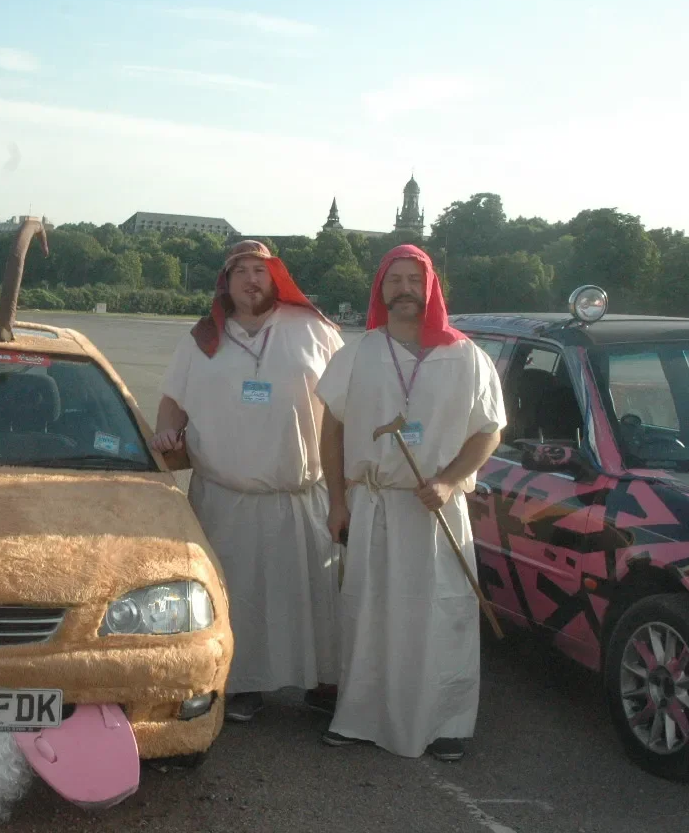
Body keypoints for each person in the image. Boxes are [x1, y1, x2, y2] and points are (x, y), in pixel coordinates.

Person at [315, 244, 505, 761]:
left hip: (436, 509)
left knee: (441, 615)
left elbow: (489, 431)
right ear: (381, 289)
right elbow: (331, 430)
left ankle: (446, 723)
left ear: (430, 287)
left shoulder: (466, 356)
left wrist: (448, 481)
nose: (403, 288)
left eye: (412, 279)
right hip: (374, 504)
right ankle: (358, 717)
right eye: (393, 279)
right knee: (370, 614)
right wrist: (336, 500)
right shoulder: (359, 353)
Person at [151, 240, 345, 723]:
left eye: (261, 270)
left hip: (298, 493)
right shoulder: (202, 339)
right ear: (226, 280)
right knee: (235, 597)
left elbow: (346, 405)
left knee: (313, 593)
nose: (251, 280)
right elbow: (173, 400)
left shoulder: (314, 329)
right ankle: (239, 684)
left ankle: (324, 681)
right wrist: (165, 430)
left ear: (276, 276)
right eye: (241, 271)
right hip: (224, 497)